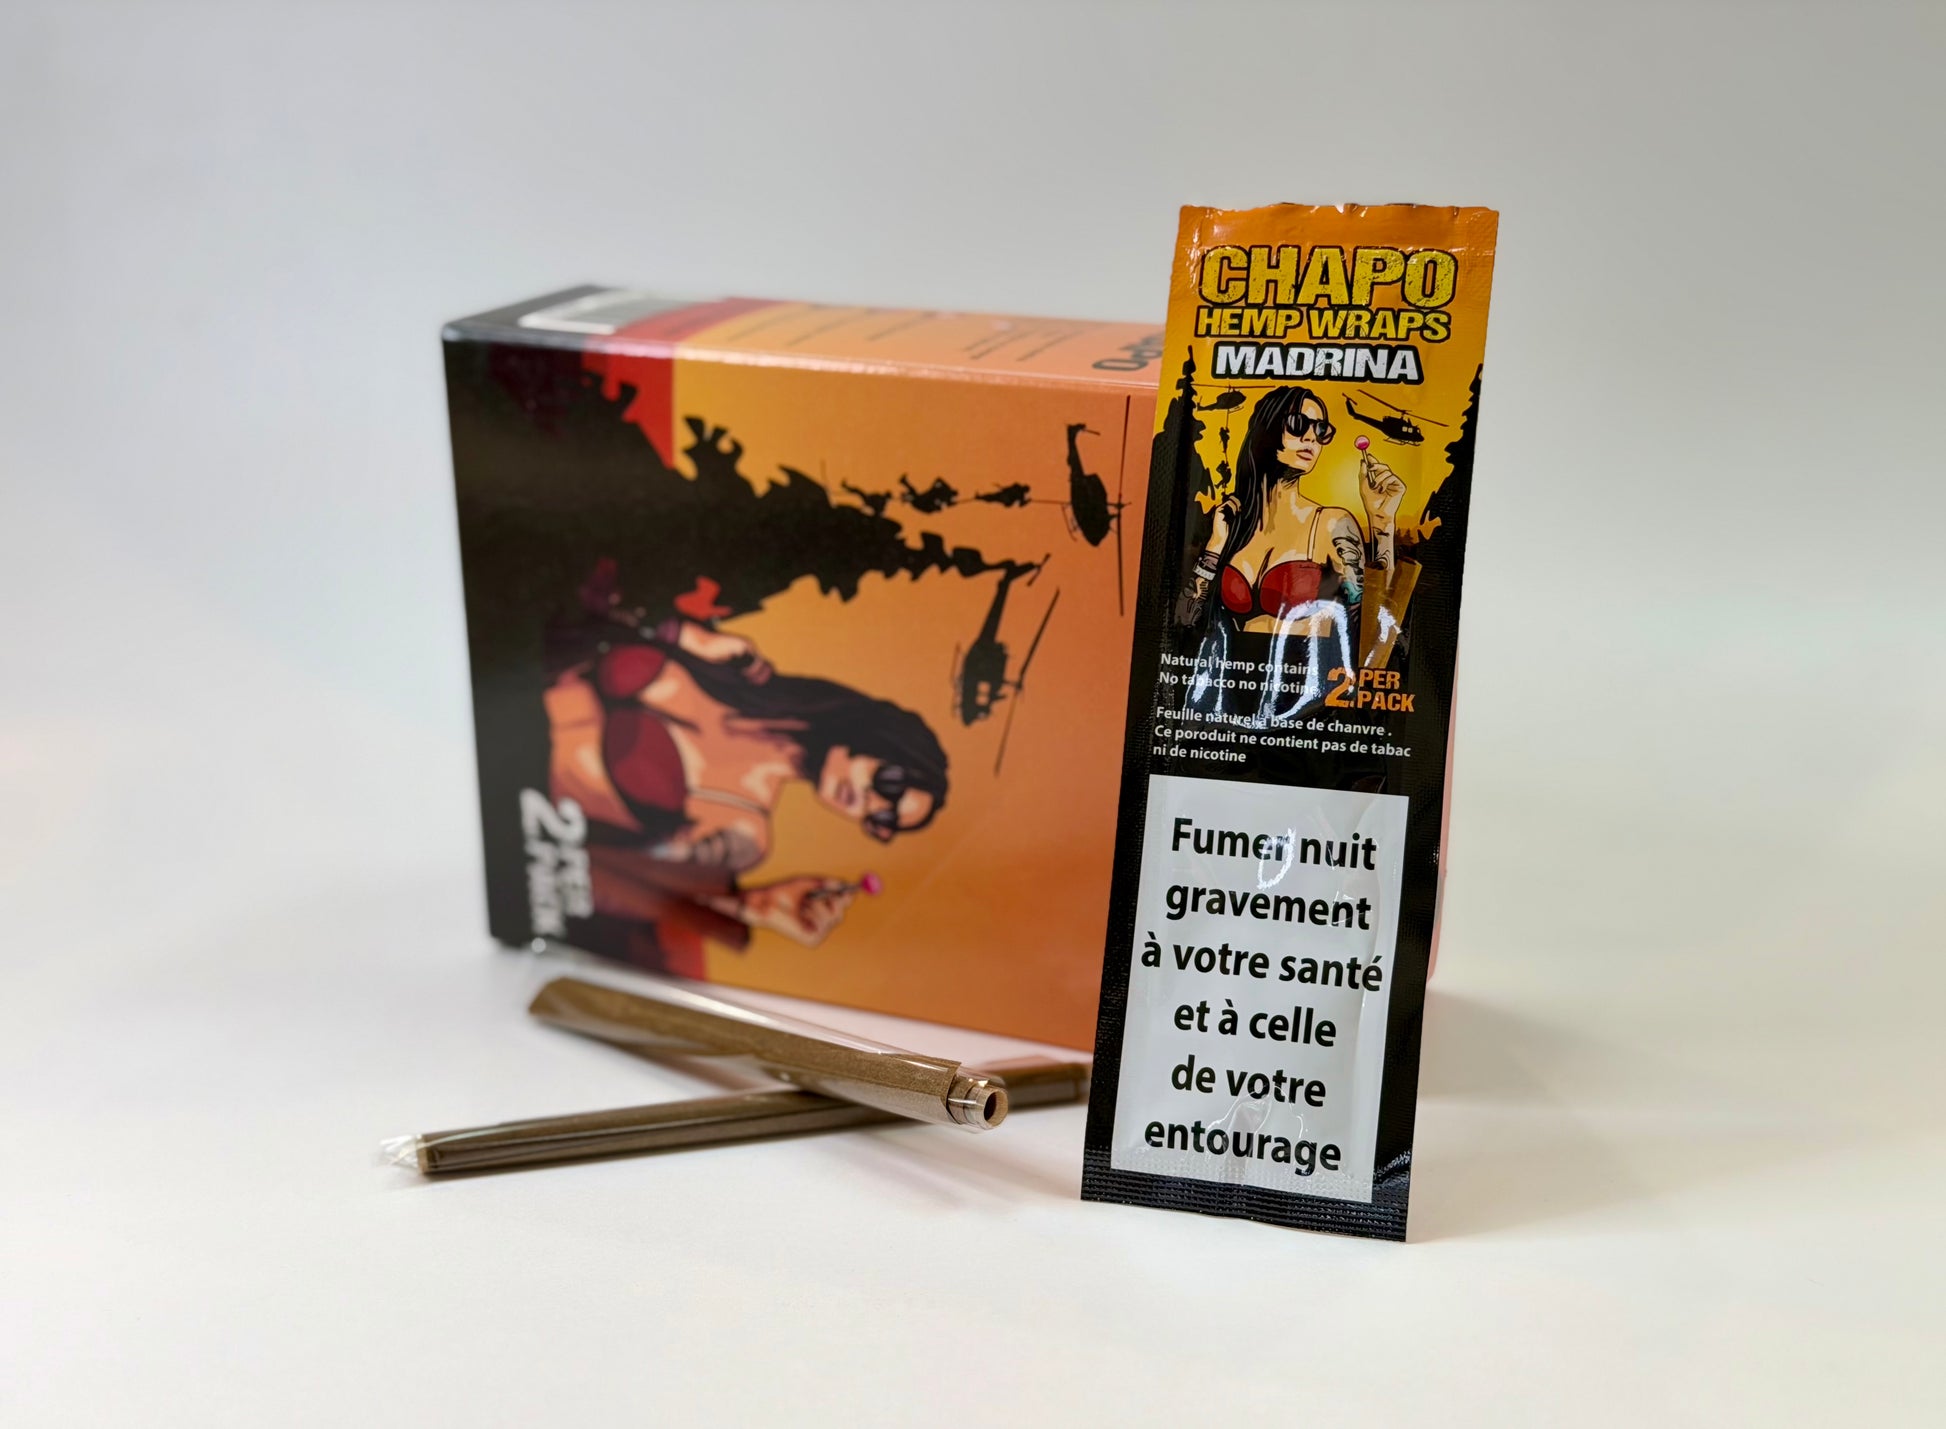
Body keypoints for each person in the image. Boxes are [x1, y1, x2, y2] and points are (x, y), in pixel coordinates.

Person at [545, 565, 948, 962]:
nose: (872, 804)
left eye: (884, 821)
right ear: (880, 738)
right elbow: (597, 591)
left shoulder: (744, 832)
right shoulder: (735, 665)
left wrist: (753, 907)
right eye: (890, 785)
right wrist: (680, 633)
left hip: (526, 796)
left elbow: (610, 878)